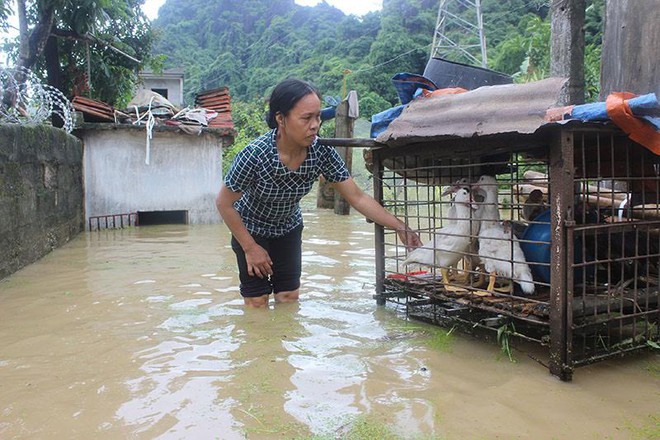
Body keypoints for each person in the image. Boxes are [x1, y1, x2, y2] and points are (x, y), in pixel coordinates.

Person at [216, 78, 421, 308]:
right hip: (251, 230)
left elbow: (358, 197)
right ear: (281, 119)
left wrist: (400, 226)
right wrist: (250, 248)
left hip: (288, 229)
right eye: (306, 118)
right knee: (256, 302)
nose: (315, 125)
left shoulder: (321, 152)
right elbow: (224, 204)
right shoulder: (254, 155)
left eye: (318, 117)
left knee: (288, 299)